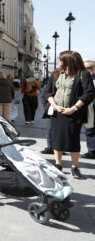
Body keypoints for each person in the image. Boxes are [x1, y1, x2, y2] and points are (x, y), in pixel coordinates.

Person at [45, 51, 95, 179]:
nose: (58, 61)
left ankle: (75, 167)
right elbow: (48, 92)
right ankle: (58, 164)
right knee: (57, 139)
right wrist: (55, 106)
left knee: (73, 139)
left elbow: (88, 93)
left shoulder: (83, 74)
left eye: (61, 59)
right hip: (58, 112)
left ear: (69, 60)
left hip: (74, 113)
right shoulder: (56, 74)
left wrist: (74, 107)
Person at [81, 60, 95, 159]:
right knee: (89, 128)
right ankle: (92, 151)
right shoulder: (84, 78)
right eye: (84, 68)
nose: (87, 70)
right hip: (89, 107)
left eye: (89, 68)